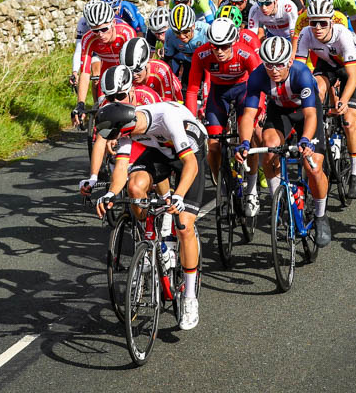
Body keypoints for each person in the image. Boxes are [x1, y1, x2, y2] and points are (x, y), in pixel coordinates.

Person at [93, 100, 207, 330]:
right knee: (135, 187)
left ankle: (189, 297)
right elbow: (122, 168)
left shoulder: (167, 118)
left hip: (191, 154)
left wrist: (179, 195)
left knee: (184, 224)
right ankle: (154, 243)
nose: (112, 142)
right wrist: (110, 194)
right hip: (160, 152)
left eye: (113, 137)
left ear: (125, 128)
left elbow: (191, 165)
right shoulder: (128, 131)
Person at [236, 37, 332, 246]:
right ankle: (281, 203)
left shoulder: (302, 74)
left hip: (306, 112)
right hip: (280, 111)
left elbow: (310, 116)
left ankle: (320, 215)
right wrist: (244, 143)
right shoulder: (258, 76)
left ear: (289, 61)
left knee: (313, 167)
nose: (274, 69)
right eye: (269, 64)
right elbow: (248, 116)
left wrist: (306, 140)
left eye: (279, 64)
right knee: (268, 149)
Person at [295, 0, 356, 199]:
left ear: (331, 22)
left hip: (350, 65)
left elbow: (352, 76)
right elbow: (299, 71)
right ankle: (320, 126)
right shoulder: (306, 34)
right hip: (327, 64)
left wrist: (344, 100)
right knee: (316, 86)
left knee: (348, 121)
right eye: (313, 22)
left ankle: (355, 173)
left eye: (322, 24)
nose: (317, 28)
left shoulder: (342, 34)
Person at [185, 17, 261, 183]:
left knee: (249, 137)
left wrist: (260, 109)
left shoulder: (245, 53)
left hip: (244, 90)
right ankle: (220, 182)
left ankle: (252, 189)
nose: (219, 51)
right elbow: (192, 89)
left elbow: (259, 85)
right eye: (215, 46)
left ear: (233, 42)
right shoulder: (201, 54)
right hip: (218, 93)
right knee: (213, 146)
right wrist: (190, 120)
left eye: (224, 46)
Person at [122, 36, 182, 102]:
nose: (134, 75)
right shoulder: (124, 74)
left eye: (137, 70)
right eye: (130, 71)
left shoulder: (161, 70)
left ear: (147, 63)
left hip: (171, 97)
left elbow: (167, 103)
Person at [164, 3, 208, 82]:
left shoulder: (205, 31)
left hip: (208, 64)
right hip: (189, 62)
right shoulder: (169, 34)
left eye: (185, 31)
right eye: (177, 32)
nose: (181, 36)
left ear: (193, 26)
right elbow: (168, 59)